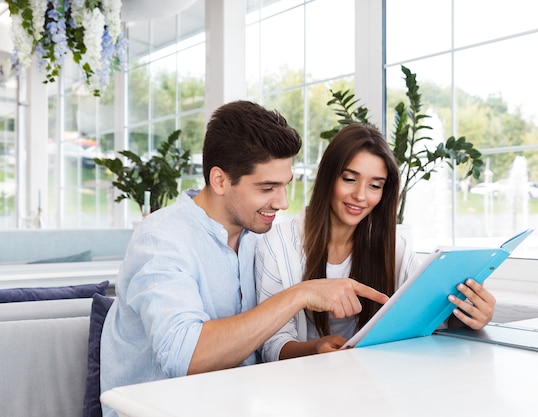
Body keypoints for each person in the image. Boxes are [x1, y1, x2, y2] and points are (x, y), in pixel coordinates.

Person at [100, 101, 389, 416]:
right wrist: (301, 293)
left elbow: (268, 344)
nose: (281, 202)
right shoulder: (161, 239)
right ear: (220, 180)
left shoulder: (257, 238)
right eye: (268, 187)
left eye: (284, 186)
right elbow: (186, 358)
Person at [255, 123, 496, 362]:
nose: (360, 196)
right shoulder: (279, 244)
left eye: (374, 186)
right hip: (303, 383)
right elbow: (270, 342)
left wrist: (471, 314)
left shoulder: (394, 247)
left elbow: (430, 318)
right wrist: (315, 348)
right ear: (328, 177)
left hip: (376, 378)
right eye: (349, 179)